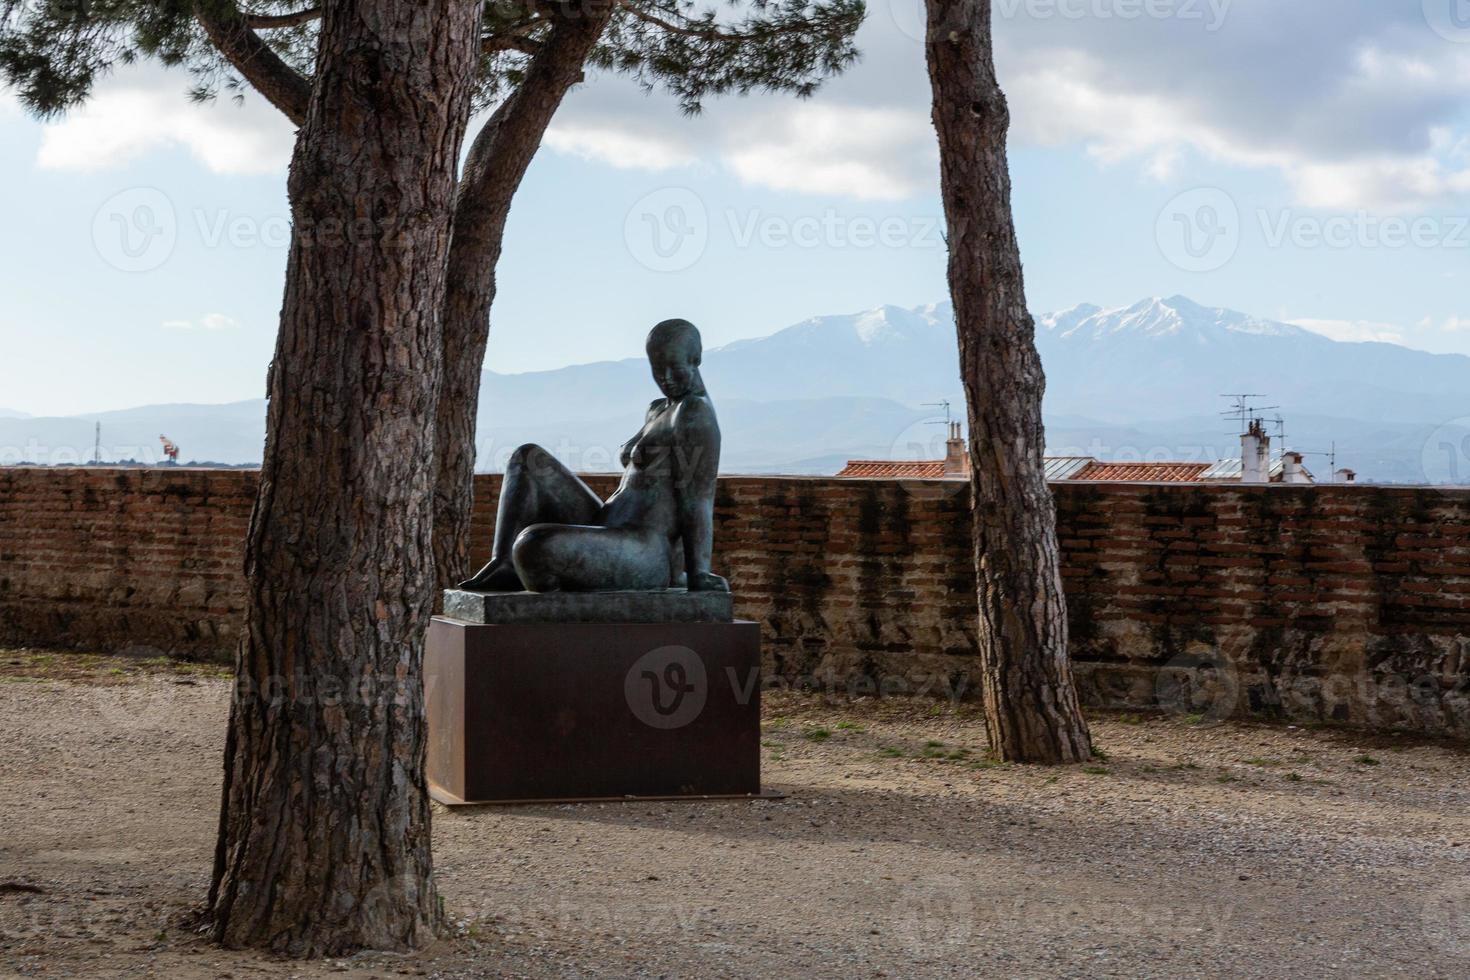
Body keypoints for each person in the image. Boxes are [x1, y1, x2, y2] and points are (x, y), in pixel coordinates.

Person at [457, 318, 729, 593]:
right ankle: (503, 563)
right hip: (609, 526)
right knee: (528, 458)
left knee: (532, 544)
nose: (667, 378)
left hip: (642, 548)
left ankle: (541, 591)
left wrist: (698, 573)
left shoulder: (694, 412)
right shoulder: (658, 409)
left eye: (675, 368)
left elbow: (698, 500)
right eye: (658, 370)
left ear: (695, 359)